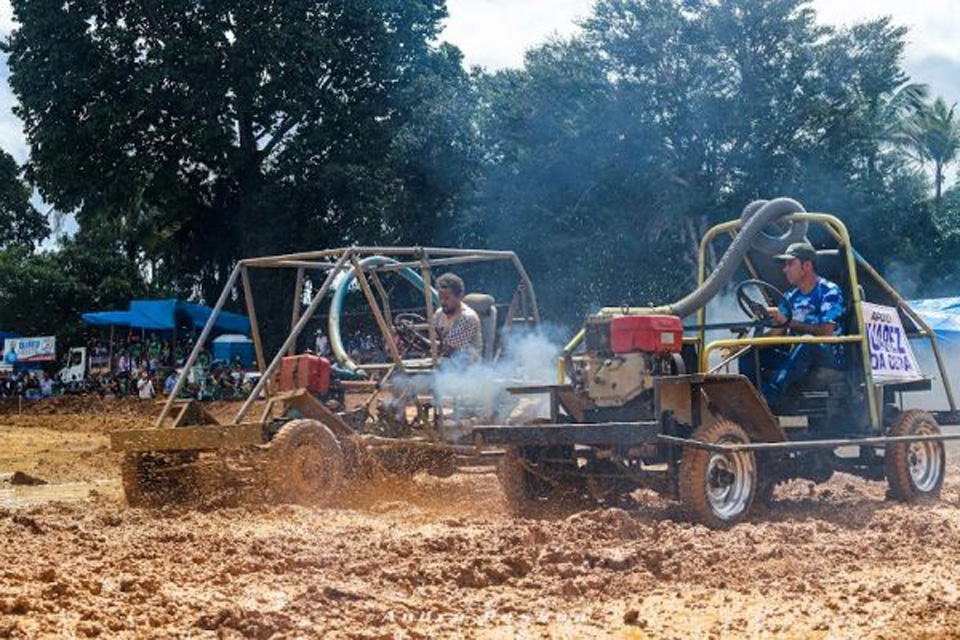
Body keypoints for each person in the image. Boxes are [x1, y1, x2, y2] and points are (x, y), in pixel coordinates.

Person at [744, 242, 845, 409]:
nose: (785, 269)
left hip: (828, 356)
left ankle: (769, 398)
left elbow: (826, 332)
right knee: (749, 354)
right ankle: (750, 398)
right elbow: (778, 332)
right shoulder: (790, 296)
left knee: (807, 342)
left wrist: (787, 321)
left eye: (790, 264)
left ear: (806, 266)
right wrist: (747, 345)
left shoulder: (829, 291)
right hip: (797, 355)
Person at [433, 273, 482, 361]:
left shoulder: (468, 318)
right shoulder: (439, 314)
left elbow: (449, 349)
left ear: (459, 296)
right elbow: (434, 338)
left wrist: (427, 344)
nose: (443, 302)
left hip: (466, 367)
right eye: (440, 297)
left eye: (447, 298)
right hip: (442, 362)